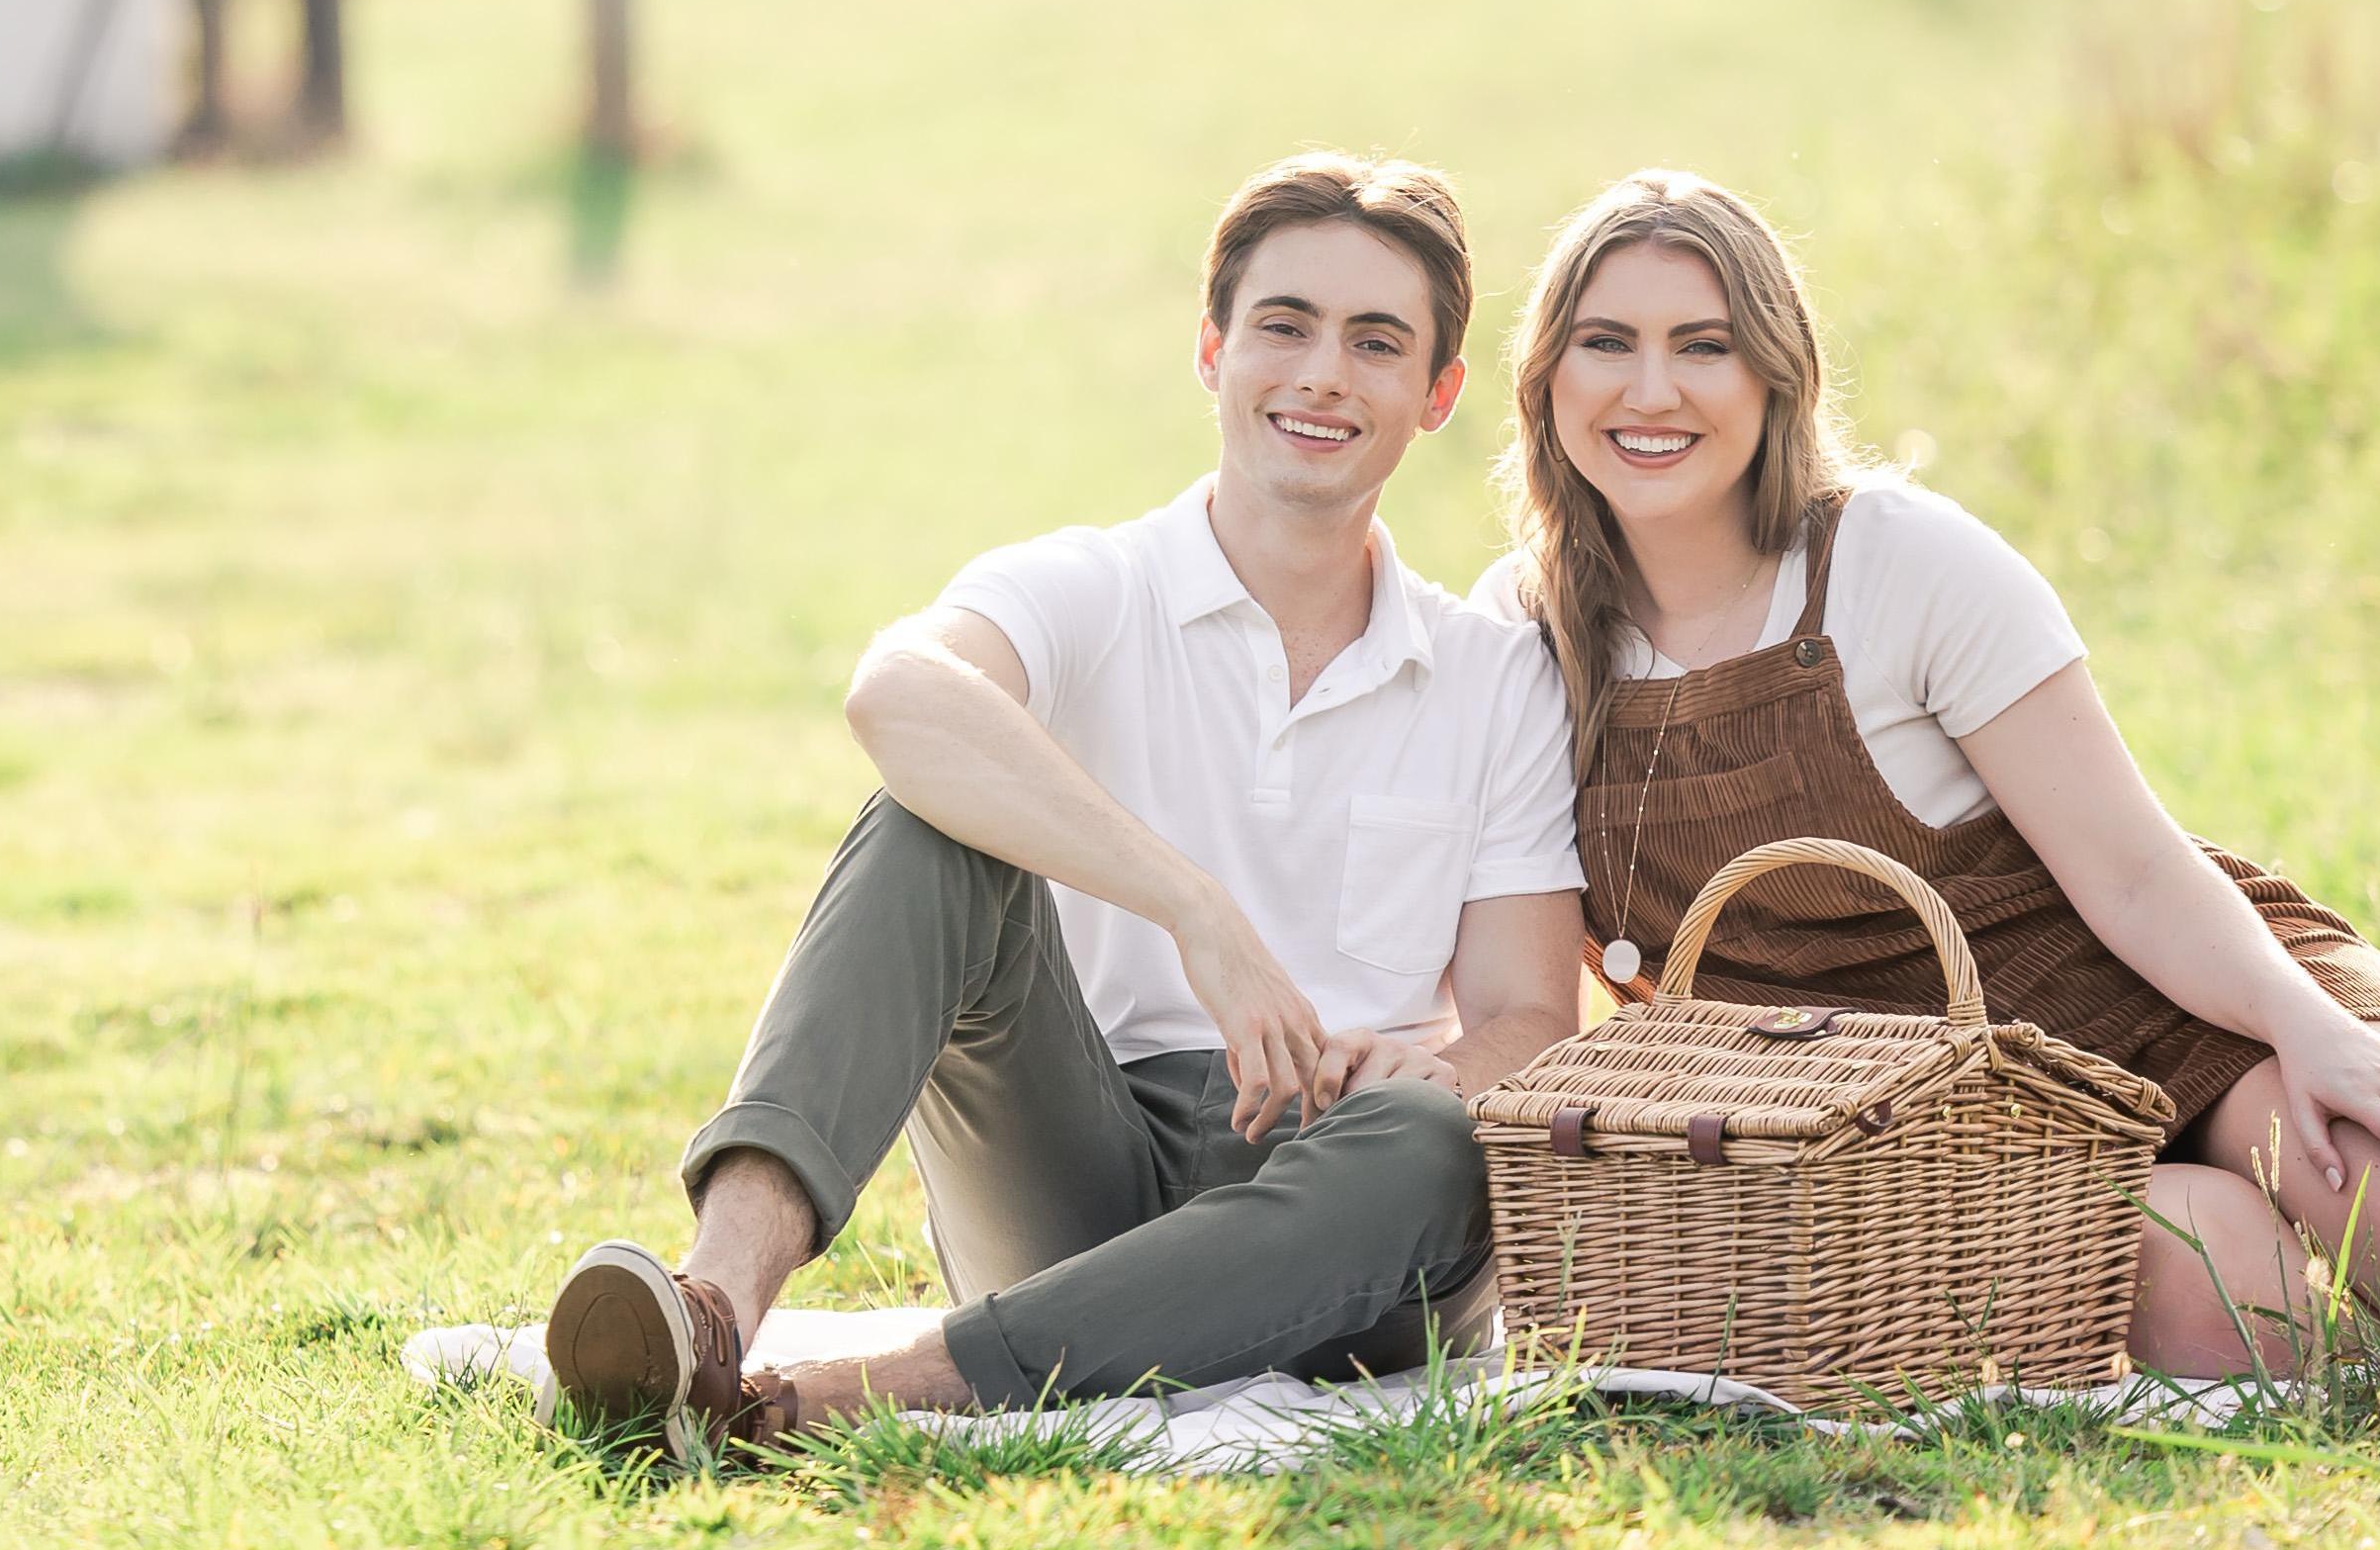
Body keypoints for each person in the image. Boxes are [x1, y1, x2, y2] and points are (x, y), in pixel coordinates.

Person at [1482, 166, 2380, 1375]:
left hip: (2177, 1005)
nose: (1652, 388)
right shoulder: (1523, 633)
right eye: (1608, 342)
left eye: (1703, 344)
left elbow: (2132, 870)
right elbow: (1519, 979)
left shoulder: (1898, 562)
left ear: (1775, 373)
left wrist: (2309, 1031)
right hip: (1931, 1130)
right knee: (2224, 1312)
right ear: (1547, 379)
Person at [543, 152, 1596, 1439]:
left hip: (1345, 1212)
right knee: (926, 826)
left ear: (1435, 395)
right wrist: (1195, 909)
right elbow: (896, 692)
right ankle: (708, 1313)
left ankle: (851, 1397)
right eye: (1284, 325)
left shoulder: (1492, 672)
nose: (1323, 372)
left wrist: (1425, 1068)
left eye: (1374, 342)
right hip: (1076, 1166)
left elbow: (1529, 1017)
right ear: (1211, 350)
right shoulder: (1094, 586)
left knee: (1438, 1142)